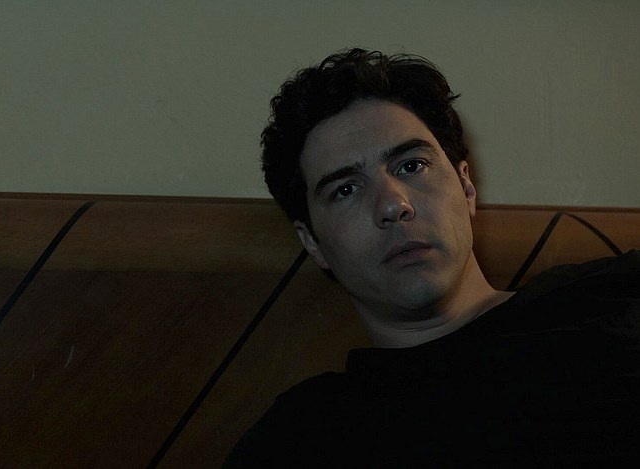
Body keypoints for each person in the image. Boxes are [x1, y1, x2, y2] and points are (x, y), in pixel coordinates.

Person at [224, 48, 640, 466]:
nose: (393, 205)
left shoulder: (616, 293)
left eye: (411, 166)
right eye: (345, 190)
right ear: (312, 243)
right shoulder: (298, 437)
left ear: (466, 187)